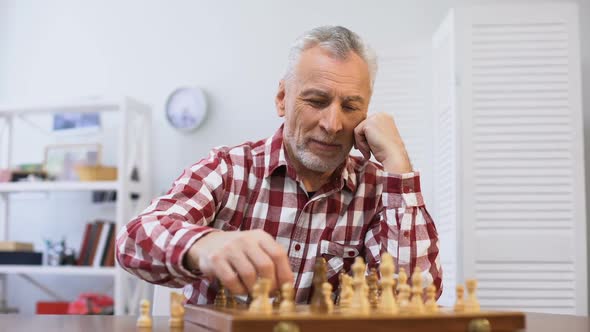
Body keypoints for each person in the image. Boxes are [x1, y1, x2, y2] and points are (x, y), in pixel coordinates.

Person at [116, 25, 442, 304]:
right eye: (316, 101)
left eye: (351, 106)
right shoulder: (229, 169)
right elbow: (133, 242)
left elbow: (414, 297)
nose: (332, 124)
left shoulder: (377, 188)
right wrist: (204, 244)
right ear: (282, 99)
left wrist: (399, 164)